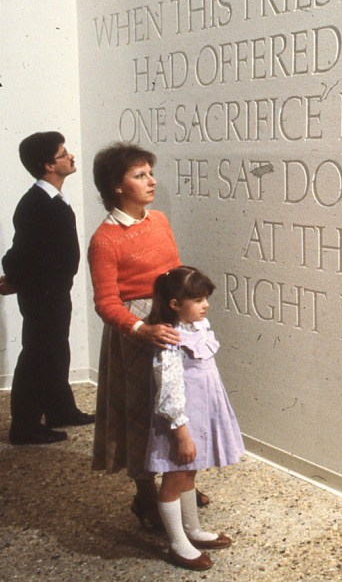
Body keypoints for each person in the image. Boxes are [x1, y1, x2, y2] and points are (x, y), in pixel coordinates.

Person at [88, 142, 212, 530]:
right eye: (139, 175)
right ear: (117, 186)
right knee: (141, 414)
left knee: (178, 406)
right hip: (137, 333)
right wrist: (141, 328)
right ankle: (145, 497)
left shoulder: (158, 221)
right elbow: (106, 302)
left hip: (171, 321)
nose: (151, 181)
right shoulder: (105, 239)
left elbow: (175, 273)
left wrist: (189, 312)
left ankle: (179, 483)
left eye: (150, 173)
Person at [144, 266, 242, 571]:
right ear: (175, 304)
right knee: (175, 478)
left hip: (201, 414)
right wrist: (181, 434)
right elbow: (169, 391)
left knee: (189, 473)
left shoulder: (198, 327)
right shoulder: (171, 339)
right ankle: (177, 543)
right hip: (181, 423)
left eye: (205, 298)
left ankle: (192, 529)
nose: (205, 305)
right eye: (198, 300)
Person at [2, 132, 93, 445]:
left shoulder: (51, 200)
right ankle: (24, 427)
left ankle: (59, 409)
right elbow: (19, 254)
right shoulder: (36, 204)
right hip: (44, 295)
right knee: (38, 355)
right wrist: (15, 278)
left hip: (53, 291)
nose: (71, 156)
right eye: (63, 154)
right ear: (48, 165)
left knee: (56, 350)